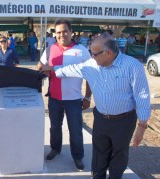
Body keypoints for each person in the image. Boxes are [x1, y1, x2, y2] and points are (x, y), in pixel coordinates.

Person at [40, 32, 151, 178]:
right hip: (101, 119)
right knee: (99, 154)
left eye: (94, 54)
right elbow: (72, 69)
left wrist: (142, 126)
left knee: (119, 154)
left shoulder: (133, 66)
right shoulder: (91, 65)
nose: (92, 57)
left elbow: (142, 96)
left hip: (124, 121)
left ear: (108, 53)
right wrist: (52, 68)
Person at [37, 19, 92, 171]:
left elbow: (90, 76)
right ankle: (55, 149)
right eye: (58, 32)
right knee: (55, 127)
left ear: (71, 32)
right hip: (54, 98)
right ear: (55, 34)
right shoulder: (49, 49)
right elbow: (40, 65)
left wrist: (87, 97)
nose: (62, 35)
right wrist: (41, 67)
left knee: (75, 130)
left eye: (65, 31)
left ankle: (78, 157)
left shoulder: (82, 50)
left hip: (74, 100)